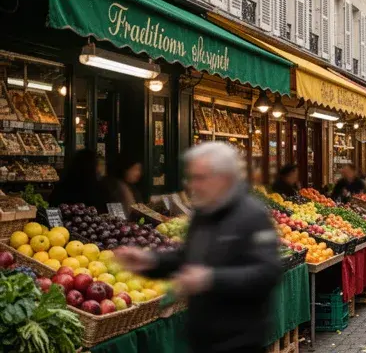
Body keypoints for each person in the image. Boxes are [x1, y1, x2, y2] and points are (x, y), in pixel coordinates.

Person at [115, 142, 281, 353]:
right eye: (191, 178)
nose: (193, 185)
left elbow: (267, 272)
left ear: (223, 178)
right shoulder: (203, 213)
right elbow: (187, 256)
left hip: (238, 341)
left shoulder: (252, 215)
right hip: (202, 341)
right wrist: (151, 261)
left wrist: (210, 279)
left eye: (200, 178)